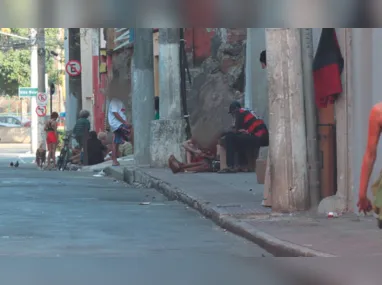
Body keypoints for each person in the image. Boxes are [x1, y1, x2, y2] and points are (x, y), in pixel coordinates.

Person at [218, 101, 269, 173]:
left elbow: (237, 131)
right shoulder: (247, 112)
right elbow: (241, 133)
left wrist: (223, 133)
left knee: (230, 137)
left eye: (232, 113)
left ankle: (230, 166)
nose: (233, 116)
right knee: (239, 139)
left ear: (235, 110)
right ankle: (243, 165)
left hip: (259, 137)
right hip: (263, 138)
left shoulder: (239, 112)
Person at [108, 97, 132, 166]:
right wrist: (124, 122)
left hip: (118, 124)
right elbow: (115, 113)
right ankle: (114, 159)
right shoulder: (115, 100)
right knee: (131, 133)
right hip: (117, 124)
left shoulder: (120, 101)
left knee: (116, 142)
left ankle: (114, 160)